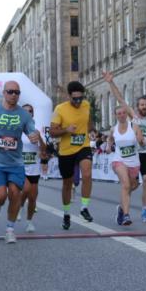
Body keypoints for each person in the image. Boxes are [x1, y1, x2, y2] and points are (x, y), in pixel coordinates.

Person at [0, 81, 41, 244]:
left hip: (16, 162)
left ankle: (10, 229)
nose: (13, 95)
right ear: (3, 93)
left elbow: (33, 131)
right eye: (10, 92)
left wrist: (35, 135)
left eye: (17, 93)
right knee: (0, 196)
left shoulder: (24, 115)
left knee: (14, 193)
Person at [104, 69, 146, 223]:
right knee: (131, 185)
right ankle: (122, 207)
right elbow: (120, 99)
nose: (144, 107)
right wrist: (110, 81)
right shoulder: (132, 115)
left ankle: (145, 211)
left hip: (145, 153)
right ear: (137, 106)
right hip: (133, 155)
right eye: (142, 105)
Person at [50, 81, 95, 229]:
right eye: (75, 99)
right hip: (66, 150)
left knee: (87, 174)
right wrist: (66, 130)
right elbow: (52, 132)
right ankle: (66, 213)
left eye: (80, 98)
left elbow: (88, 121)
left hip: (83, 146)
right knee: (67, 184)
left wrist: (91, 130)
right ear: (69, 96)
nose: (78, 102)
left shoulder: (86, 105)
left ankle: (84, 208)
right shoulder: (59, 109)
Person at [106, 105, 145, 226]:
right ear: (116, 116)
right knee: (126, 185)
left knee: (133, 186)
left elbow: (141, 141)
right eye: (119, 113)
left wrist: (141, 141)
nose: (121, 115)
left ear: (126, 114)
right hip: (119, 160)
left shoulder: (134, 126)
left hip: (133, 162)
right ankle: (126, 216)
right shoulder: (114, 129)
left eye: (123, 113)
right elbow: (110, 138)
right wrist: (108, 146)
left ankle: (121, 208)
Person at [20, 103, 45, 233]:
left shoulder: (37, 129)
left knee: (33, 196)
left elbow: (44, 150)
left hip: (34, 168)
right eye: (25, 111)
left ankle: (29, 221)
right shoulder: (17, 130)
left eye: (30, 111)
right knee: (26, 189)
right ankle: (19, 206)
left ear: (32, 114)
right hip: (21, 167)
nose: (28, 113)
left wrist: (39, 137)